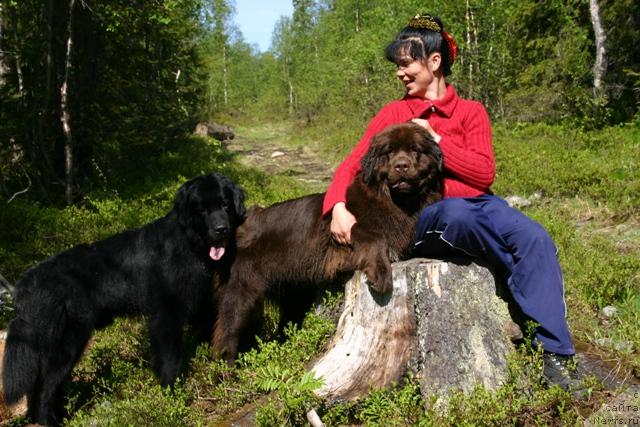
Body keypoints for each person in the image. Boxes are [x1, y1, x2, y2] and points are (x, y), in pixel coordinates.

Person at [323, 13, 582, 392]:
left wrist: (438, 139)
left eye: (406, 64)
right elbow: (351, 164)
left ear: (434, 61)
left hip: (484, 204)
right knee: (458, 216)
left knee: (534, 238)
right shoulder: (394, 114)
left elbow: (483, 174)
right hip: (430, 216)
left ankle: (558, 355)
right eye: (398, 66)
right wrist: (337, 207)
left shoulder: (471, 112)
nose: (400, 73)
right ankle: (520, 291)